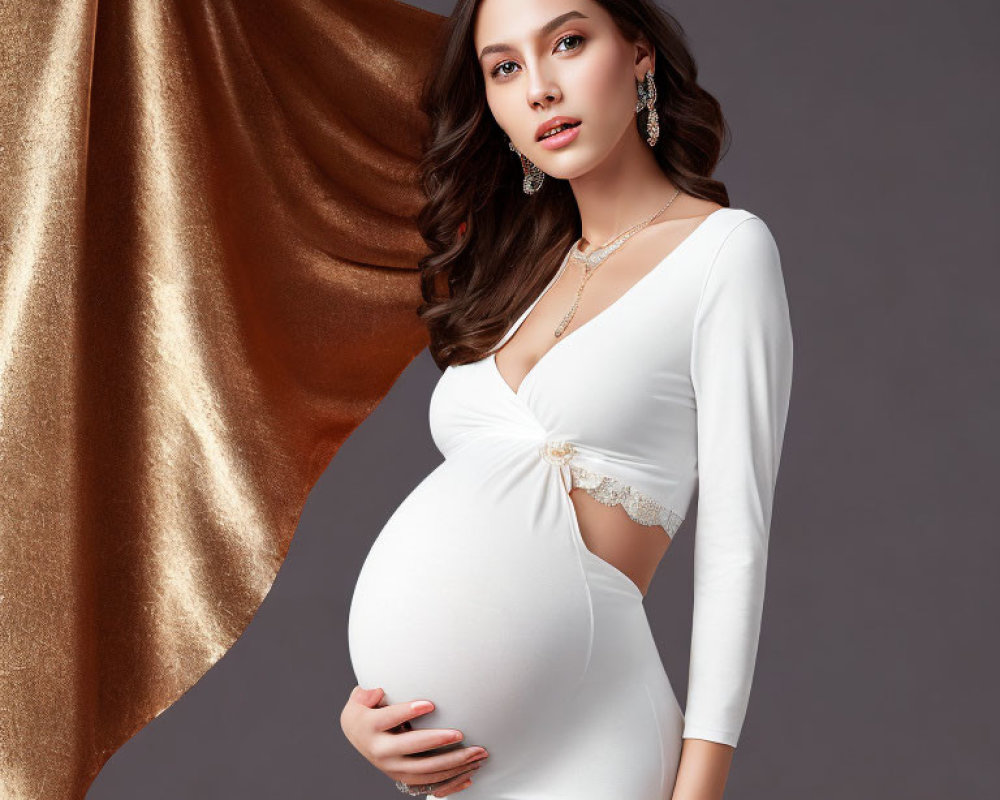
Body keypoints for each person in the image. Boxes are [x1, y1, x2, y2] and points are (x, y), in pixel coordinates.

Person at [340, 0, 793, 797]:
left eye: (569, 43)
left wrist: (701, 786)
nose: (541, 88)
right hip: (444, 772)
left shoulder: (725, 253)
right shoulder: (517, 274)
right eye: (505, 68)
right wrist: (369, 714)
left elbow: (736, 544)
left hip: (593, 749)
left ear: (640, 55)